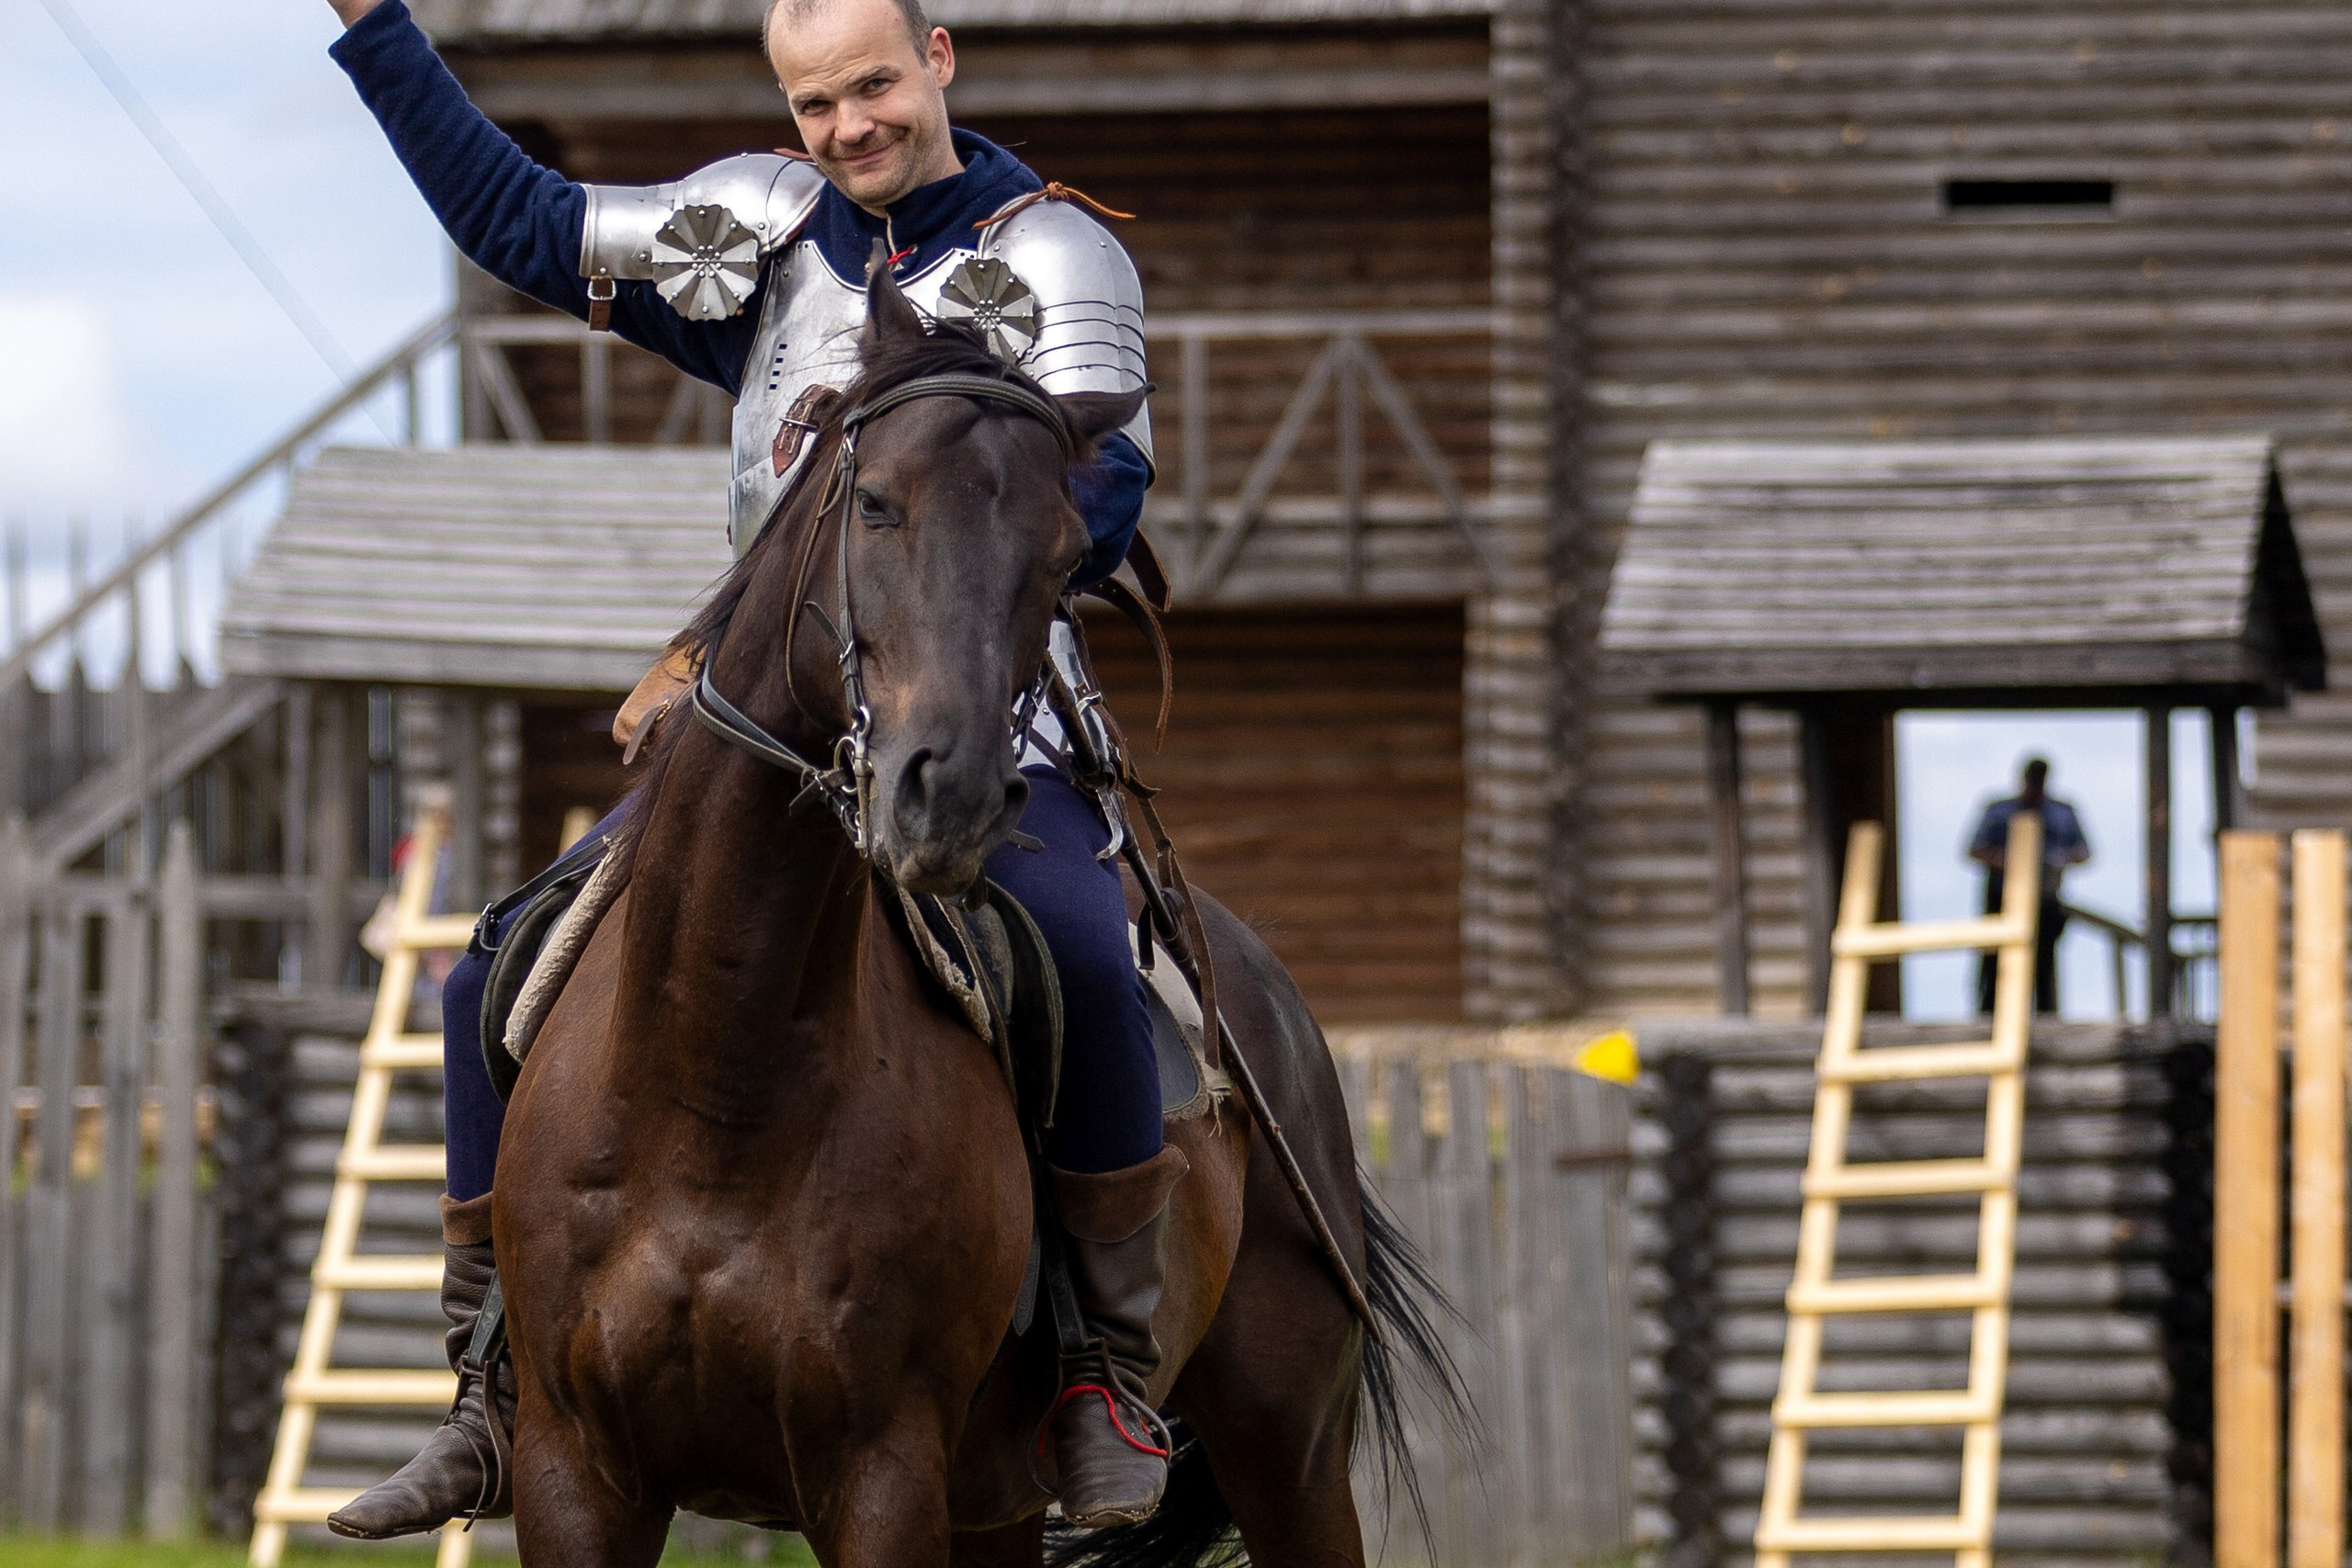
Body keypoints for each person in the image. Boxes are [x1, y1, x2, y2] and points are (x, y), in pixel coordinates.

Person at [317, 0, 1181, 1538]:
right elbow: (520, 217)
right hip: (765, 734)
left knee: (1078, 956)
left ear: (940, 60)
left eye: (874, 87)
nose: (850, 128)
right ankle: (491, 1385)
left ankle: (1101, 1370)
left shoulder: (1053, 259)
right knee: (490, 969)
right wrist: (378, 29)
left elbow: (1106, 491)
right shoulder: (768, 242)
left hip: (983, 718)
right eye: (815, 105)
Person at [1967, 757, 2090, 1014]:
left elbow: (2083, 852)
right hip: (2001, 898)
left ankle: (2046, 1019)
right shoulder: (1998, 810)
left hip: (2045, 899)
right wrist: (2008, 861)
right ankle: (1989, 1018)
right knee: (1995, 961)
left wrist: (2054, 860)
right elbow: (1975, 849)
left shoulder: (2063, 812)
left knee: (2043, 962)